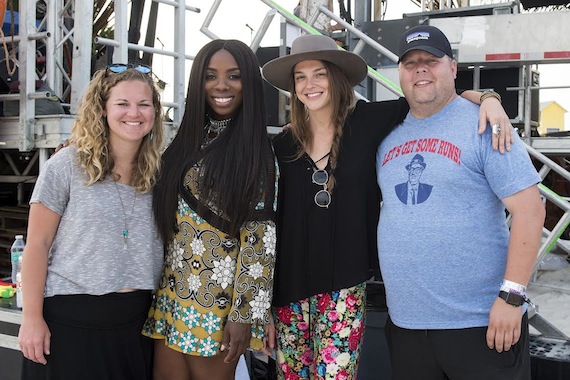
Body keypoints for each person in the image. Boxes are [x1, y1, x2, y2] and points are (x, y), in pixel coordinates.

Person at [261, 34, 512, 380]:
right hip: (288, 293)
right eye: (300, 77)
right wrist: (265, 309)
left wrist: (487, 98)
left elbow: (431, 96)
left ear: (336, 78)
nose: (310, 85)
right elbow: (271, 224)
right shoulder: (283, 144)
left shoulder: (370, 121)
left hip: (343, 289)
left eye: (319, 74)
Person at [376, 25, 545, 380]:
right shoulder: (385, 133)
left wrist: (512, 297)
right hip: (406, 325)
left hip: (481, 323)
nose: (420, 69)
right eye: (410, 63)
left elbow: (530, 209)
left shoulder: (485, 125)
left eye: (430, 61)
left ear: (452, 68)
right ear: (400, 74)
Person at [17, 63, 165, 379]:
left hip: (135, 325)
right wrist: (31, 318)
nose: (134, 113)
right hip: (71, 324)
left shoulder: (160, 174)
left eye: (143, 104)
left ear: (154, 112)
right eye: (122, 104)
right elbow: (37, 245)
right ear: (102, 110)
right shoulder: (66, 165)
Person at [143, 39, 278, 380]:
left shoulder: (257, 154)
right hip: (172, 295)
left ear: (249, 83)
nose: (221, 85)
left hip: (215, 306)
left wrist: (243, 315)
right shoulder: (185, 141)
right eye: (210, 75)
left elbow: (260, 242)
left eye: (234, 76)